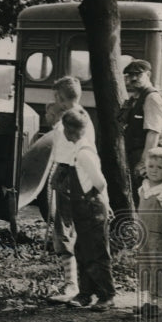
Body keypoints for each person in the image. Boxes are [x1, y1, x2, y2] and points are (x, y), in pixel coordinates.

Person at [57, 110, 116, 311]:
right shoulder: (77, 150)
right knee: (82, 250)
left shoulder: (84, 153)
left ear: (70, 130)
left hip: (91, 207)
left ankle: (106, 294)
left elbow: (100, 182)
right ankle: (85, 292)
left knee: (97, 252)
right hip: (81, 209)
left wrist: (105, 205)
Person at [45, 76, 97, 303]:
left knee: (63, 229)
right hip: (84, 178)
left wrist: (54, 179)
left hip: (69, 178)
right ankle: (82, 283)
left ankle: (72, 284)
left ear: (60, 98)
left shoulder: (66, 122)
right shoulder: (85, 117)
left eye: (55, 97)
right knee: (78, 230)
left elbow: (64, 159)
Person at [118, 59, 162, 207]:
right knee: (138, 195)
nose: (133, 79)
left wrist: (144, 162)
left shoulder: (152, 98)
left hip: (147, 156)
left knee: (146, 197)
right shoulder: (136, 98)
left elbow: (153, 132)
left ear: (148, 75)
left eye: (138, 75)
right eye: (129, 75)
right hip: (136, 153)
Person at [135, 146, 162, 316]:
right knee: (144, 266)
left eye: (159, 168)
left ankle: (159, 301)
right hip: (144, 235)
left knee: (159, 266)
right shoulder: (143, 186)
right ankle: (147, 300)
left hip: (158, 235)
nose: (154, 171)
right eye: (151, 166)